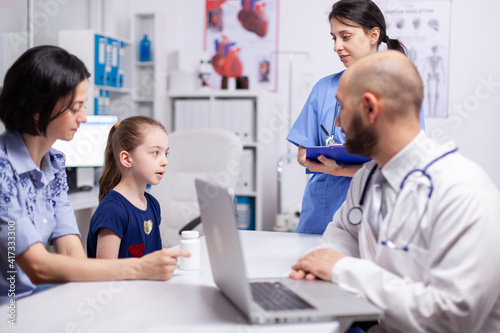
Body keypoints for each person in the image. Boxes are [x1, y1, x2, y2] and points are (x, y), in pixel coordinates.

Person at [290, 50, 500, 332]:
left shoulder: (463, 190)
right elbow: (341, 236)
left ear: (370, 108)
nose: (337, 123)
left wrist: (341, 269)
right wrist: (316, 265)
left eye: (341, 108)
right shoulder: (368, 177)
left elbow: (451, 318)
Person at [0, 45, 189, 304]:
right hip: (10, 307)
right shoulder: (2, 170)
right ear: (38, 110)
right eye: (75, 108)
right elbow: (37, 267)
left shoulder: (54, 165)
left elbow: (69, 248)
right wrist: (138, 269)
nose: (84, 117)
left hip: (40, 297)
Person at [286, 0, 425, 234]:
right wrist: (314, 162)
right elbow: (303, 151)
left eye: (345, 36)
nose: (337, 46)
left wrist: (340, 169)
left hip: (375, 213)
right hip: (321, 215)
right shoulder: (323, 88)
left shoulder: (401, 88)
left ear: (373, 35)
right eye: (334, 38)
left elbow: (407, 164)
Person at [87, 116, 168, 259]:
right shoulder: (112, 210)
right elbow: (106, 272)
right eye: (155, 153)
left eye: (166, 153)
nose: (165, 161)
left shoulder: (153, 205)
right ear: (126, 159)